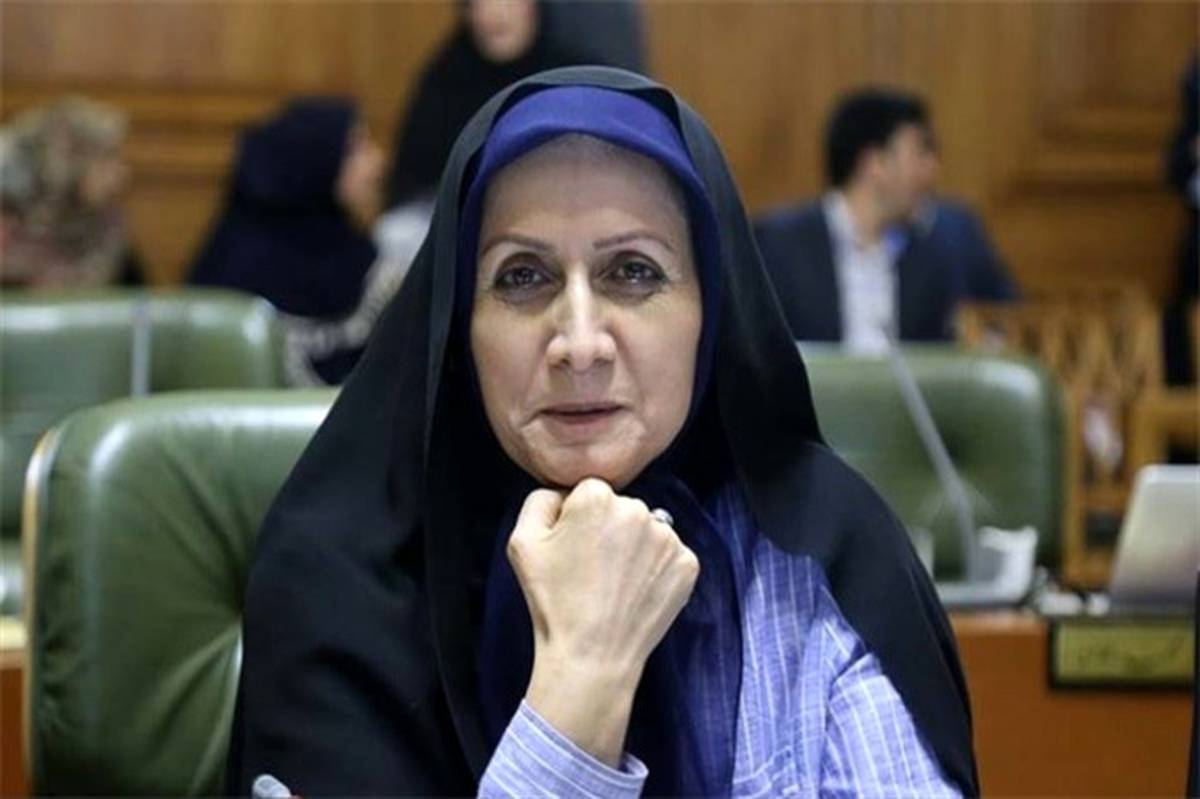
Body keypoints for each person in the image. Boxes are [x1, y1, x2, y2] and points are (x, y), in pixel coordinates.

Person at [227, 67, 978, 797]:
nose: (580, 345)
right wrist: (584, 680)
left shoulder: (819, 559)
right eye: (522, 277)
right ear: (459, 324)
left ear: (711, 311)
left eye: (634, 272)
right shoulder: (337, 578)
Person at [754, 88, 1013, 353]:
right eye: (920, 153)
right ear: (874, 162)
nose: (932, 168)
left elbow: (1008, 323)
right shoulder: (777, 245)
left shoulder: (954, 237)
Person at [188, 97, 383, 384]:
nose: (377, 162)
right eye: (356, 149)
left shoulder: (368, 266)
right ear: (313, 159)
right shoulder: (231, 273)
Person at [0, 96, 143, 288]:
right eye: (106, 159)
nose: (121, 174)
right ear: (74, 161)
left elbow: (85, 286)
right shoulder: (11, 204)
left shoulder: (105, 217)